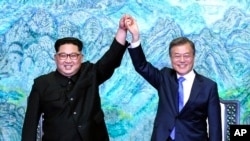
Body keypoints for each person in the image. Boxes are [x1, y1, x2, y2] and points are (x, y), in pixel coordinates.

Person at [21, 14, 131, 141]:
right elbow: (30, 125)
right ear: (56, 58)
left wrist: (122, 30)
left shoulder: (90, 73)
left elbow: (111, 59)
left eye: (73, 55)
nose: (68, 60)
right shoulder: (41, 84)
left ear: (81, 57)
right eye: (63, 55)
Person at [124, 16, 222, 141]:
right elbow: (141, 66)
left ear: (193, 56)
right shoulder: (164, 77)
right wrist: (135, 37)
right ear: (171, 58)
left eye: (186, 56)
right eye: (177, 56)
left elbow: (215, 127)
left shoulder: (209, 86)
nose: (182, 60)